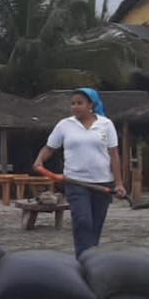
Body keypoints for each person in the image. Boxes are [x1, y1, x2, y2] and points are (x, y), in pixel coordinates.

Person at [33, 88, 125, 258]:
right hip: (75, 182)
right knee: (83, 221)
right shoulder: (65, 125)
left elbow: (114, 155)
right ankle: (83, 259)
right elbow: (49, 148)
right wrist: (39, 161)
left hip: (102, 183)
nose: (75, 107)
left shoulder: (106, 124)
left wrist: (119, 184)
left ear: (91, 105)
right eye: (73, 103)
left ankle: (91, 257)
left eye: (79, 103)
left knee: (96, 224)